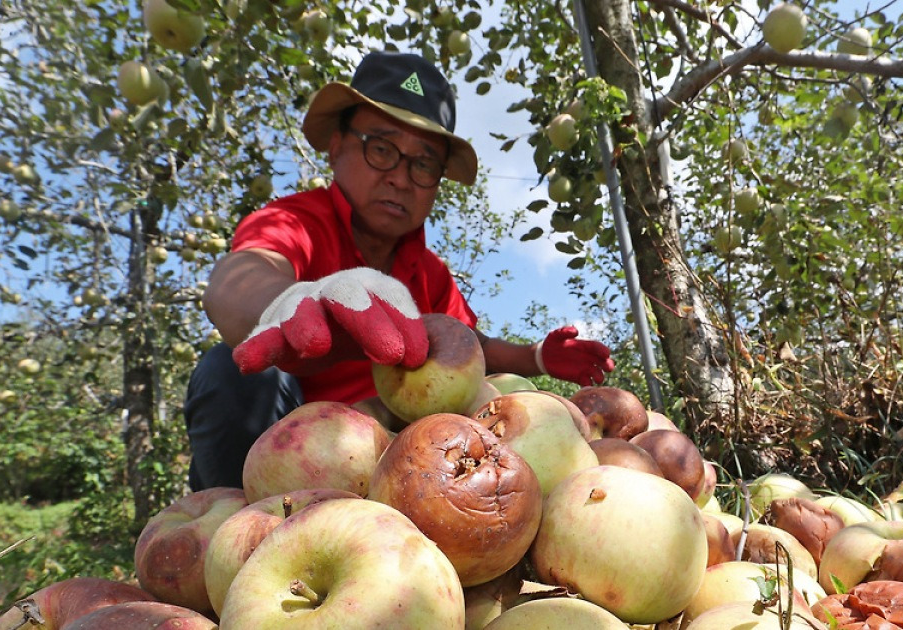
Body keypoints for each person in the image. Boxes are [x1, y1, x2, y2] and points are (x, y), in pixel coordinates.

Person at [184, 50, 616, 491]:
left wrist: (537, 357)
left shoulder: (430, 274)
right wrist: (289, 303)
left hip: (407, 461)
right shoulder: (296, 222)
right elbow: (242, 278)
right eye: (382, 148)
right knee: (230, 375)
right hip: (302, 457)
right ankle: (237, 523)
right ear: (337, 146)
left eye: (424, 162)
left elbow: (472, 348)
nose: (401, 177)